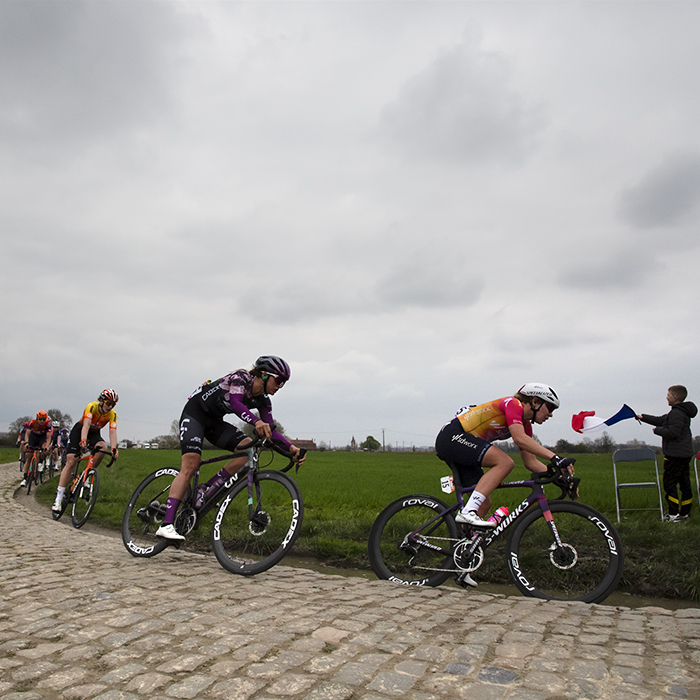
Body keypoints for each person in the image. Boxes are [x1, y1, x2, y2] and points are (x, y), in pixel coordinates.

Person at [156, 355, 306, 540]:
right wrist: (256, 421)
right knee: (191, 465)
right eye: (279, 381)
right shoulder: (241, 378)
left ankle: (206, 490)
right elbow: (236, 403)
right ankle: (166, 525)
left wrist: (291, 448)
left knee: (247, 452)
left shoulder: (264, 401)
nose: (280, 386)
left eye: (284, 383)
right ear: (265, 375)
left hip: (214, 422)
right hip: (195, 414)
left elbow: (271, 431)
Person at [435, 383, 575, 528]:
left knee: (483, 504)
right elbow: (519, 438)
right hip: (452, 436)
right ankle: (467, 511)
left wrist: (561, 479)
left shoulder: (525, 425)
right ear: (535, 402)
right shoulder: (513, 404)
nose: (551, 414)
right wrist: (555, 458)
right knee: (505, 462)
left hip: (465, 446)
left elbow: (530, 462)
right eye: (550, 408)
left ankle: (465, 544)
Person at [637, 385, 697, 521]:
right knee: (684, 483)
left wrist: (657, 430)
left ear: (675, 397)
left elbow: (673, 432)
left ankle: (673, 514)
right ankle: (685, 513)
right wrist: (642, 417)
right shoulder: (680, 412)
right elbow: (661, 420)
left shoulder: (676, 413)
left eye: (668, 395)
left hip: (675, 455)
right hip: (684, 454)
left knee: (670, 484)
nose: (666, 397)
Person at [52, 390, 119, 513]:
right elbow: (86, 425)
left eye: (113, 404)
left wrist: (114, 448)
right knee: (71, 462)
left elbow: (112, 432)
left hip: (94, 434)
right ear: (101, 400)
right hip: (80, 430)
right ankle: (58, 498)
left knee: (103, 447)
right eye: (108, 403)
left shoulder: (112, 414)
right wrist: (83, 440)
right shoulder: (92, 406)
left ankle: (87, 474)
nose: (110, 407)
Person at [20, 411, 53, 487]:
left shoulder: (47, 424)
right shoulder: (32, 422)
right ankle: (25, 478)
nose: (42, 421)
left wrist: (47, 447)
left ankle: (40, 462)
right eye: (40, 419)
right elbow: (27, 434)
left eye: (44, 419)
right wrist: (26, 443)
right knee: (28, 457)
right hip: (33, 437)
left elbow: (48, 438)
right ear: (37, 418)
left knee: (45, 449)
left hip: (42, 438)